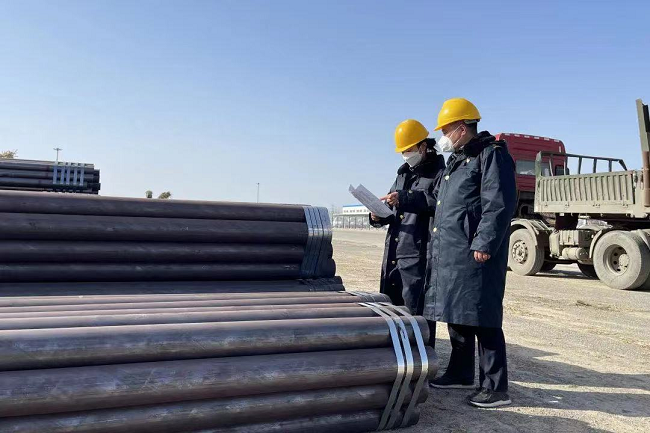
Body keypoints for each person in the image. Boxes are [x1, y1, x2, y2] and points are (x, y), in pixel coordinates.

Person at [383, 98, 516, 408]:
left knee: (483, 316)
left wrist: (484, 243)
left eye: (445, 130)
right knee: (458, 312)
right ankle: (460, 372)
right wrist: (403, 199)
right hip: (453, 251)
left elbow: (498, 204)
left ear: (461, 127)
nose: (443, 135)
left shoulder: (491, 155)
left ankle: (495, 388)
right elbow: (437, 201)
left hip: (475, 250)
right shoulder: (458, 161)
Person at [370, 119, 444, 318]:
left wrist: (405, 198)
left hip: (418, 255)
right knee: (391, 312)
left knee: (415, 314)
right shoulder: (403, 175)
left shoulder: (439, 173)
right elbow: (391, 207)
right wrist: (377, 216)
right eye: (403, 151)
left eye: (409, 150)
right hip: (394, 251)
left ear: (423, 146)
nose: (405, 155)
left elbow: (439, 203)